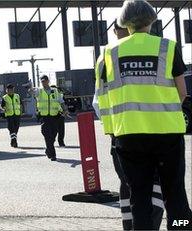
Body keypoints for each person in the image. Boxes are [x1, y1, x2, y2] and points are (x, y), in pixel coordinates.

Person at [95, 1, 192, 229]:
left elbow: (103, 99)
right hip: (167, 134)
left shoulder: (108, 54)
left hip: (129, 136)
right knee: (175, 193)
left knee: (139, 197)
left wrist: (113, 130)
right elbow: (183, 92)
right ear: (151, 20)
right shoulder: (168, 47)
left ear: (123, 22)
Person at [93, 20, 165, 230]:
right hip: (151, 133)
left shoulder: (107, 56)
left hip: (122, 135)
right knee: (152, 186)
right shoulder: (158, 50)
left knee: (130, 184)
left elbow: (99, 102)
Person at [26, 75, 68, 161]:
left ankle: (48, 150)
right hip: (44, 117)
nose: (43, 82)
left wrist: (65, 110)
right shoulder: (39, 91)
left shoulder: (55, 91)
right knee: (47, 134)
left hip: (54, 117)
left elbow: (61, 101)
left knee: (53, 135)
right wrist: (30, 87)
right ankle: (53, 155)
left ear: (48, 81)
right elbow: (31, 92)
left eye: (45, 81)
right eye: (42, 81)